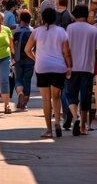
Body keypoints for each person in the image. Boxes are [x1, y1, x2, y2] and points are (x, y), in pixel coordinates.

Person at [25, 8, 72, 138]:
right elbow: (67, 52)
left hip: (42, 67)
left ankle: (49, 130)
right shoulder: (61, 31)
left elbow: (27, 49)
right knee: (56, 97)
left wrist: (36, 59)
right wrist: (69, 67)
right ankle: (57, 122)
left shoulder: (36, 32)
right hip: (58, 67)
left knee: (46, 99)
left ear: (43, 18)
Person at [65, 5, 97, 136]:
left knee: (70, 94)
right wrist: (96, 67)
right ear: (86, 15)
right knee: (85, 97)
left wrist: (66, 65)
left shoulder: (69, 28)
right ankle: (83, 127)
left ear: (74, 14)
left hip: (72, 67)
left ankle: (76, 117)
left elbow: (66, 49)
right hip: (88, 68)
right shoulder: (93, 30)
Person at [13, 11, 34, 111]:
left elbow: (12, 46)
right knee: (27, 80)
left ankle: (20, 93)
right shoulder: (33, 31)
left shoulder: (15, 31)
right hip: (30, 58)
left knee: (18, 78)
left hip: (18, 59)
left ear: (20, 19)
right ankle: (24, 103)